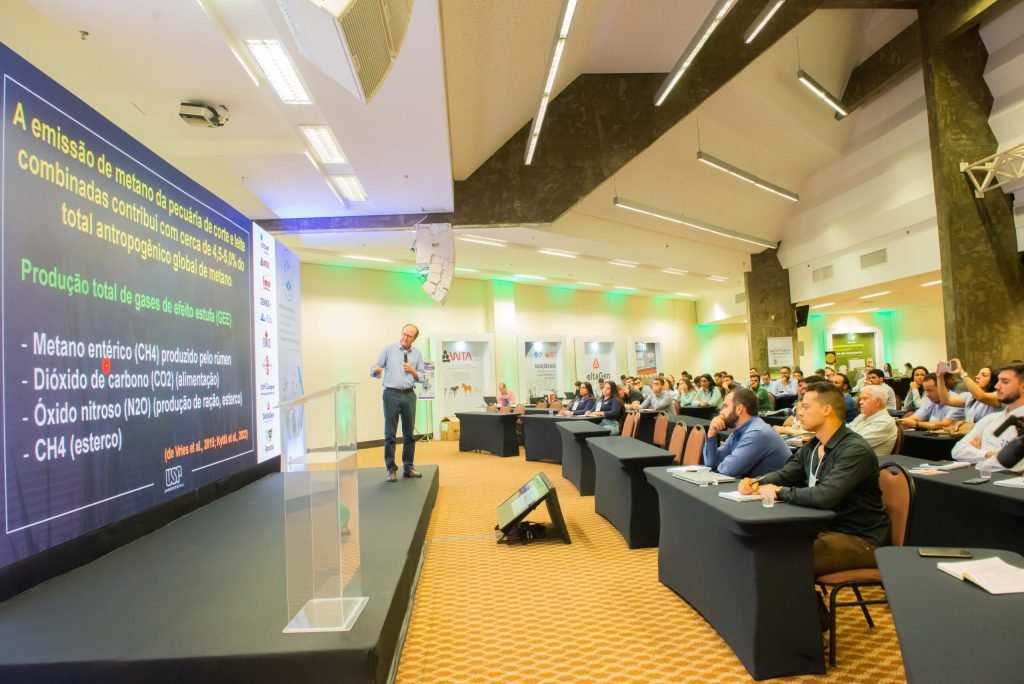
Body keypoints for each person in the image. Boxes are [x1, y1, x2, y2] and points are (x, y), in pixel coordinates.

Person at [740, 382, 891, 575]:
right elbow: (787, 474)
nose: (799, 412)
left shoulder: (854, 449)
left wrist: (779, 492)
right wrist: (757, 482)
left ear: (827, 410)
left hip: (859, 538)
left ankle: (803, 605)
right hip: (824, 529)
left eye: (806, 407)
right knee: (766, 544)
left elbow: (824, 496)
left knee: (778, 556)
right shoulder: (814, 444)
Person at [370, 323, 425, 482]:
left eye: (409, 336)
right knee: (390, 434)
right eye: (403, 334)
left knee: (409, 434)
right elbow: (374, 368)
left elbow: (423, 377)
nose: (405, 338)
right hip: (391, 394)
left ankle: (408, 467)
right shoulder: (388, 349)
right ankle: (391, 469)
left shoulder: (417, 354)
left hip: (409, 395)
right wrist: (376, 371)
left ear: (414, 339)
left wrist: (413, 371)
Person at [703, 389, 791, 477]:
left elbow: (727, 470)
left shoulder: (757, 433)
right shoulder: (739, 431)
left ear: (739, 409)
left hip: (772, 488)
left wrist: (719, 465)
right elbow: (711, 463)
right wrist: (711, 433)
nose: (721, 412)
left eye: (725, 406)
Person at [952, 363, 1024, 467]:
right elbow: (957, 450)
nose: (997, 386)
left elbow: (1015, 467)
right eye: (998, 380)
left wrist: (976, 456)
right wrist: (986, 454)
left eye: (1005, 382)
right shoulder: (991, 419)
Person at [936, 359, 1000, 424]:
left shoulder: (997, 396)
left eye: (983, 375)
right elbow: (946, 400)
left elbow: (981, 396)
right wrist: (940, 377)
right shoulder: (969, 396)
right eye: (978, 374)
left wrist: (962, 373)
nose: (977, 377)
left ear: (993, 380)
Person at [899, 373, 964, 430]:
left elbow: (945, 424)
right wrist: (900, 421)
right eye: (925, 391)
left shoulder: (957, 402)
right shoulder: (931, 401)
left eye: (930, 390)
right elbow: (915, 418)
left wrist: (916, 424)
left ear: (942, 388)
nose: (927, 395)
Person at [848, 385, 898, 457]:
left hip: (864, 464)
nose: (860, 402)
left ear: (878, 402)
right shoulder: (863, 416)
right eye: (861, 399)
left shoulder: (884, 422)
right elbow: (845, 430)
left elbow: (853, 443)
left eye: (865, 399)